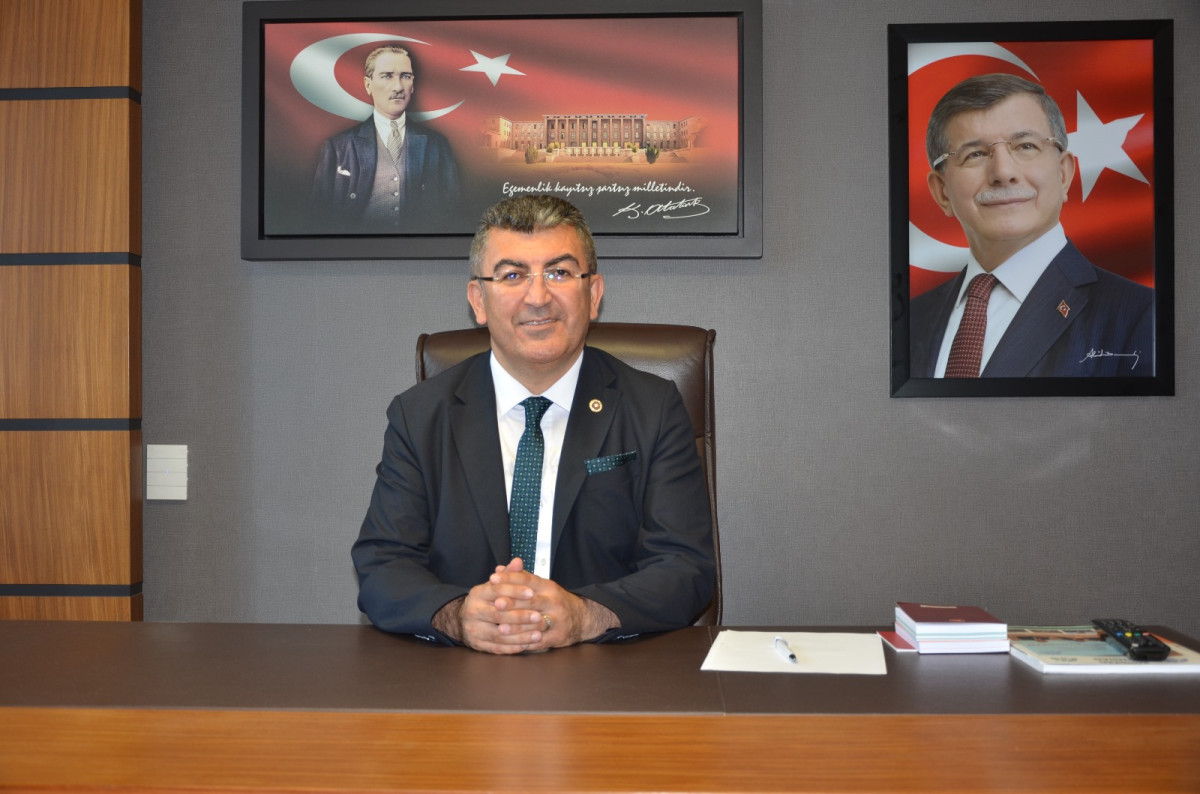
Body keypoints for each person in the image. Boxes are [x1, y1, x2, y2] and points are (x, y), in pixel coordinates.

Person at [352, 195, 715, 654]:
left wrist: (584, 616)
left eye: (559, 272)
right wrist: (459, 617)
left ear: (593, 294)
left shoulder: (652, 408)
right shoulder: (420, 415)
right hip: (459, 675)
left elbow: (686, 567)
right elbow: (383, 565)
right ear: (478, 301)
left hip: (606, 671)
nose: (538, 297)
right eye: (512, 275)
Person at [911, 73, 1153, 377]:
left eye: (1025, 146)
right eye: (975, 154)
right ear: (942, 192)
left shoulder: (1141, 316)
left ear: (1064, 174)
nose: (1003, 172)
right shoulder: (908, 321)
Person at [309, 45, 461, 234]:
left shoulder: (437, 145)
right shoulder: (338, 147)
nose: (398, 87)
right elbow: (318, 220)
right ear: (368, 84)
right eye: (387, 76)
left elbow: (452, 216)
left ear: (413, 85)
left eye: (405, 76)